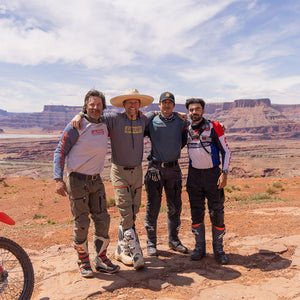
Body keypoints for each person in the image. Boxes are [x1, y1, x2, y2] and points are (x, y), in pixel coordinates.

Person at [71, 89, 154, 270]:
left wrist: (178, 114)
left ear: (139, 105)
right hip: (119, 171)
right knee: (126, 211)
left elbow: (156, 113)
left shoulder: (143, 119)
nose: (132, 105)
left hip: (138, 171)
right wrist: (79, 113)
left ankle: (120, 249)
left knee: (134, 209)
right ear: (123, 105)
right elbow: (93, 113)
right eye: (129, 103)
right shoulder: (114, 119)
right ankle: (135, 251)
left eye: (135, 103)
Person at [53, 90, 120, 278]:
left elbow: (127, 116)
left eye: (99, 105)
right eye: (92, 104)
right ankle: (83, 261)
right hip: (77, 181)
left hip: (96, 180)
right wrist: (58, 179)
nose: (95, 108)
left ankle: (101, 258)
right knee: (82, 222)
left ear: (103, 107)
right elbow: (60, 151)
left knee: (103, 219)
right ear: (85, 105)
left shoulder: (105, 122)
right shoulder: (76, 125)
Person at [185, 97, 231, 264]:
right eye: (191, 110)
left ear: (203, 110)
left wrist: (224, 173)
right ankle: (199, 248)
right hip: (194, 176)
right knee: (196, 212)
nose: (194, 112)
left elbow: (226, 151)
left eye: (197, 109)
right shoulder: (185, 128)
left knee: (216, 213)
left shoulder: (214, 127)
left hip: (213, 176)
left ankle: (218, 250)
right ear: (188, 112)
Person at [144, 92, 189, 256]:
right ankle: (151, 242)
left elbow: (194, 129)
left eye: (170, 103)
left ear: (174, 105)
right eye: (164, 102)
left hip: (174, 169)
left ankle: (173, 240)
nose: (167, 105)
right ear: (159, 105)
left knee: (175, 206)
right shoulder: (151, 121)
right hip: (155, 169)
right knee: (153, 206)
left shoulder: (180, 121)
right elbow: (135, 130)